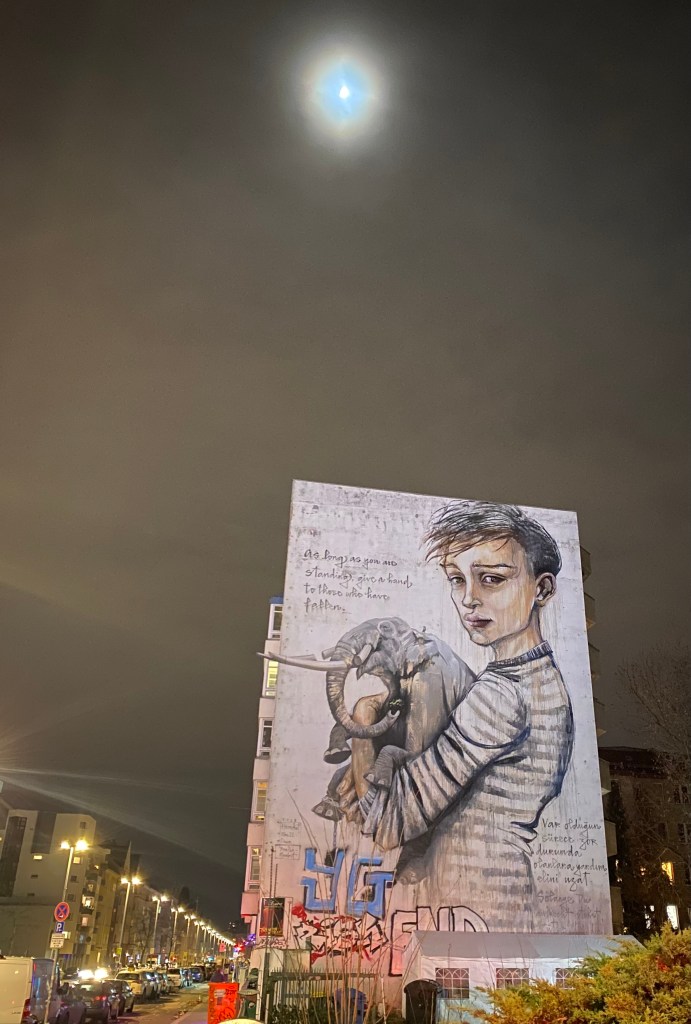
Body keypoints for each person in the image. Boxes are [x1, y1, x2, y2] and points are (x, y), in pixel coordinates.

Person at [358, 500, 574, 929]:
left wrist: (363, 729)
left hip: (475, 906)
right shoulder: (543, 682)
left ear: (542, 590)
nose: (469, 599)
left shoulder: (500, 695)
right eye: (457, 579)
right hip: (494, 903)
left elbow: (390, 819)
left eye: (491, 579)